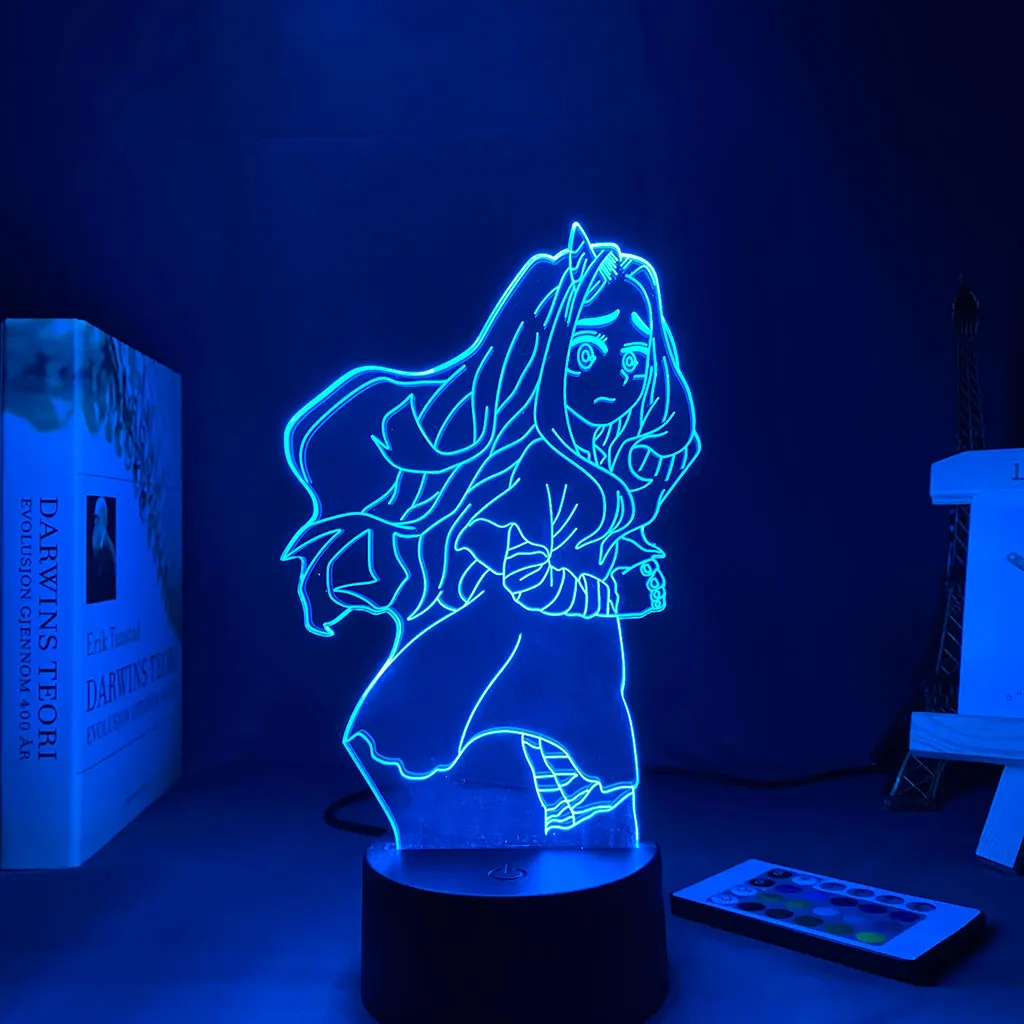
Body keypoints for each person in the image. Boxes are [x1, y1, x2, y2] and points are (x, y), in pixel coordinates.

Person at [282, 223, 700, 849]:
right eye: (587, 354)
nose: (614, 380)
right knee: (528, 813)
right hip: (510, 674)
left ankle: (541, 868)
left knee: (583, 818)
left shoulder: (594, 471)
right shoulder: (543, 468)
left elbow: (572, 554)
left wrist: (622, 568)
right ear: (545, 352)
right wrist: (614, 593)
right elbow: (516, 568)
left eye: (634, 361)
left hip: (559, 681)